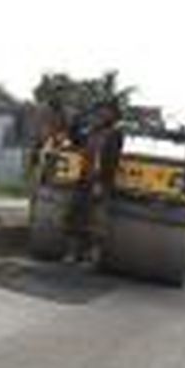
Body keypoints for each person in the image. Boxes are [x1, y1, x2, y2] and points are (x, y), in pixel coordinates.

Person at [69, 100, 123, 261]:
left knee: (97, 220)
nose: (100, 115)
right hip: (84, 179)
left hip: (101, 182)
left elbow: (111, 161)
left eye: (105, 112)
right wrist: (75, 122)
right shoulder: (91, 132)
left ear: (113, 115)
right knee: (75, 214)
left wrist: (101, 182)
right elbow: (76, 140)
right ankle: (75, 252)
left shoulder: (114, 134)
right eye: (99, 112)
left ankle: (94, 254)